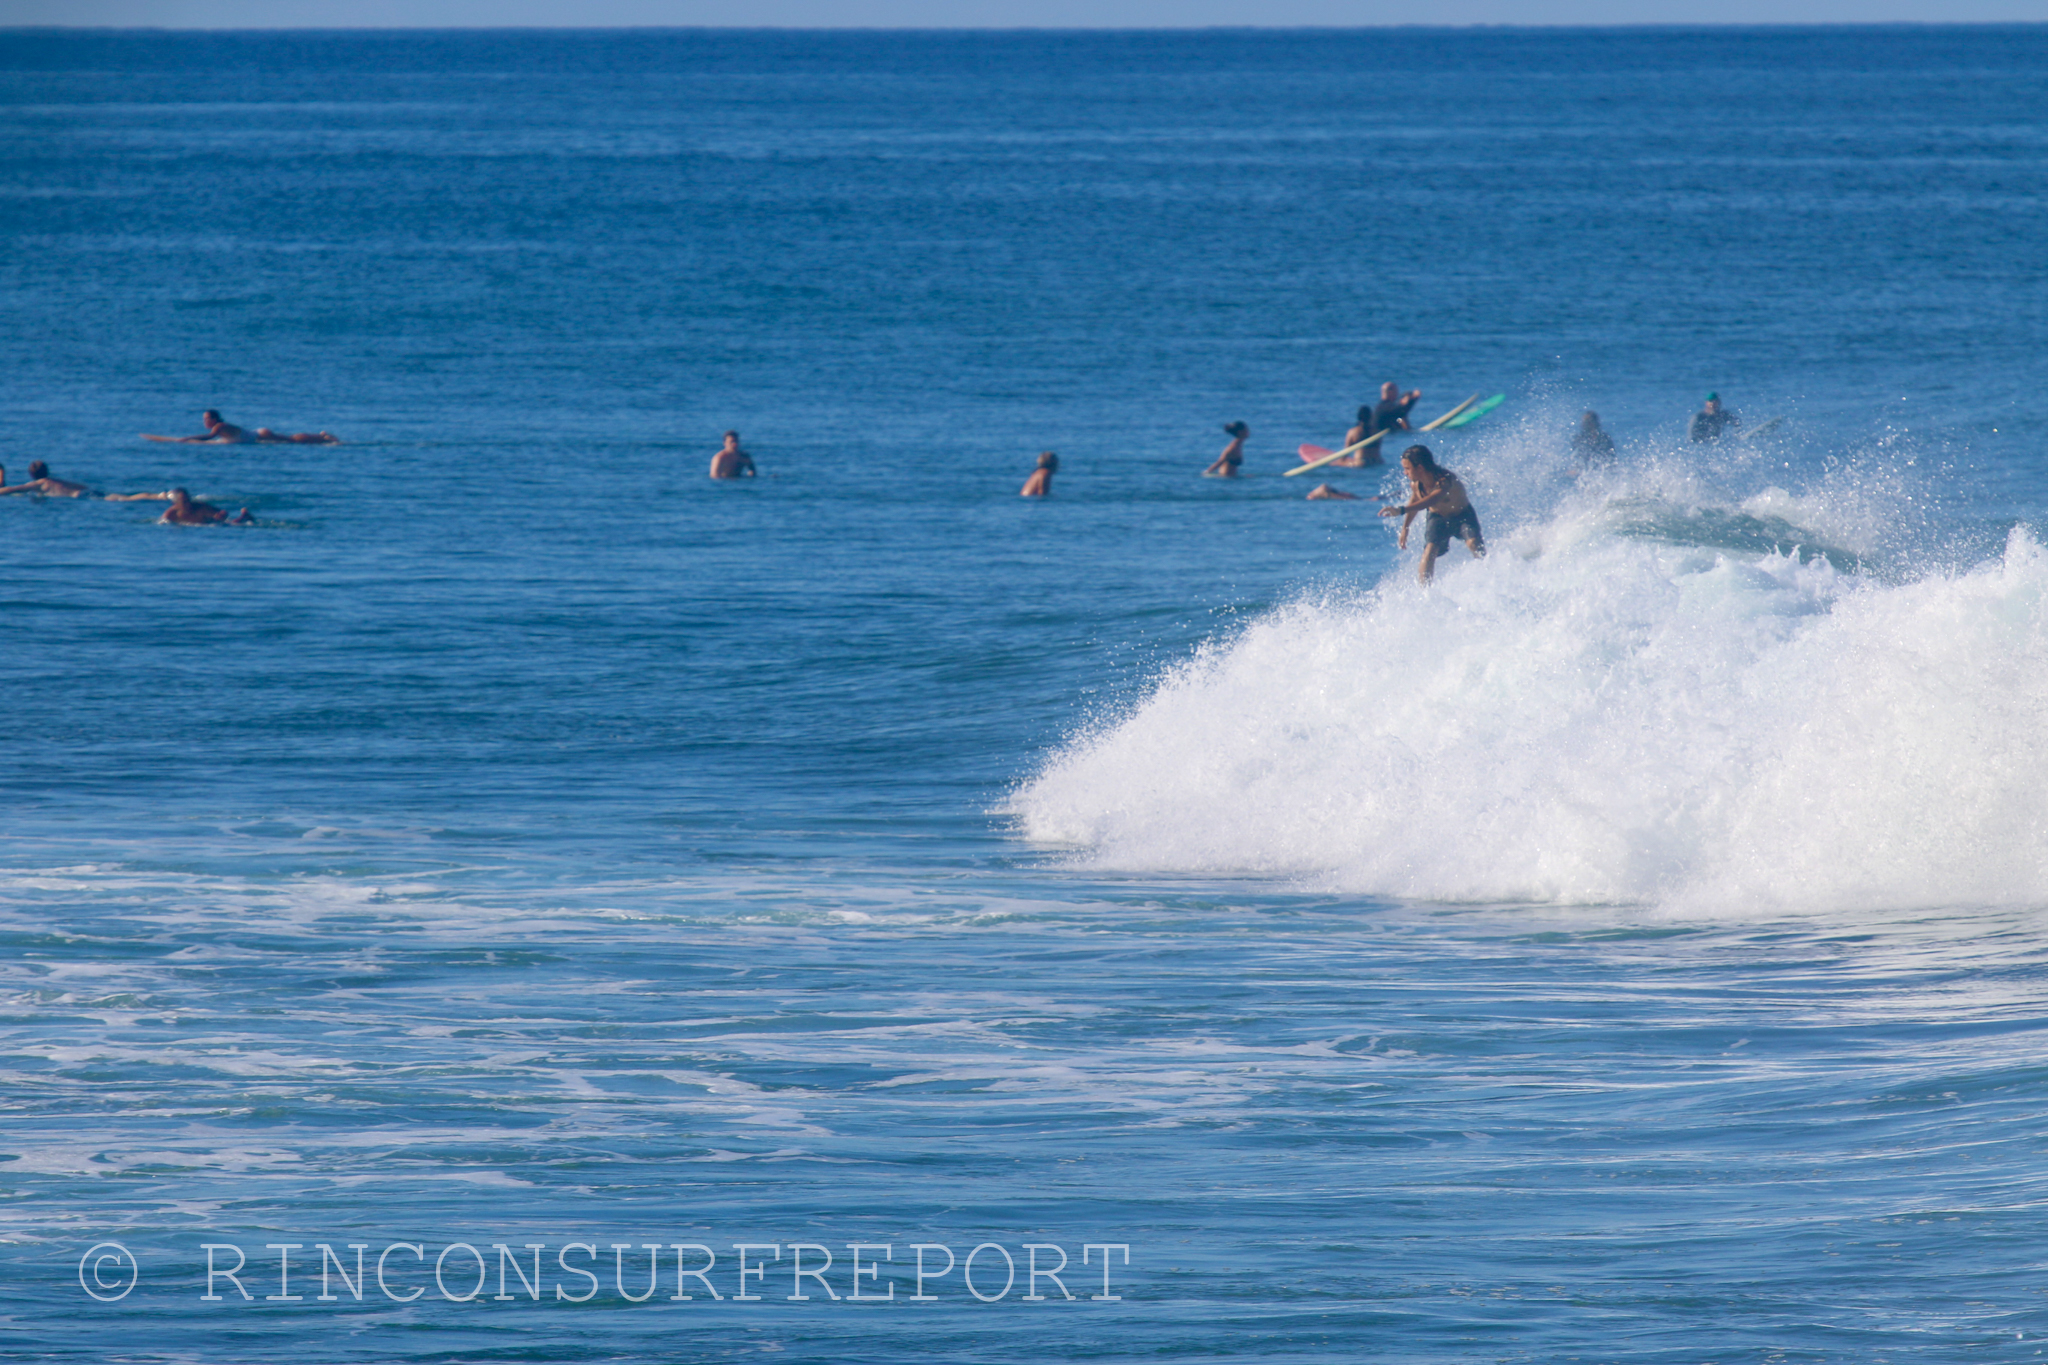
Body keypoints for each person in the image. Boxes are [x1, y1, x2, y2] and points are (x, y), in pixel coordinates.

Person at [1380, 444, 1484, 583]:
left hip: (1462, 515)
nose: (1405, 473)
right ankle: (1425, 592)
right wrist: (1405, 527)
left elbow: (1431, 499)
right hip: (1438, 518)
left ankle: (1487, 571)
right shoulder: (1416, 484)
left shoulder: (1445, 480)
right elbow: (1415, 502)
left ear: (1420, 468)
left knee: (1473, 543)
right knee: (1429, 551)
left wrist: (1401, 510)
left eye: (1407, 469)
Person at [157, 487, 252, 525]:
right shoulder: (171, 513)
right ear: (176, 503)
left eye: (188, 500)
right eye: (184, 502)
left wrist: (221, 515)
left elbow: (223, 513)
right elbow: (162, 523)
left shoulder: (199, 507)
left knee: (231, 523)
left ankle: (244, 516)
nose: (187, 504)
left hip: (209, 522)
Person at [0, 461, 92, 497]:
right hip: (82, 493)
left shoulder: (38, 484)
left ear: (31, 474)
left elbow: (11, 489)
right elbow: (84, 487)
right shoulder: (59, 481)